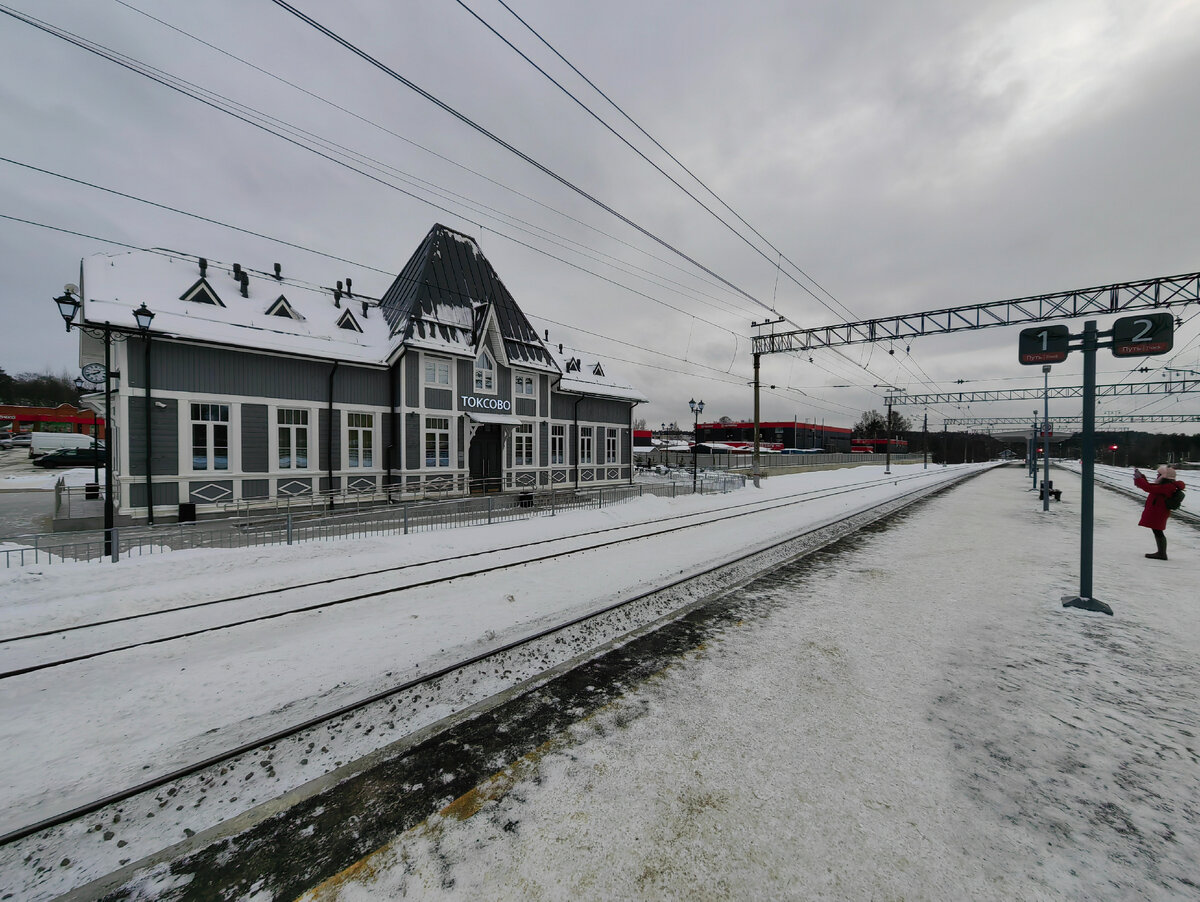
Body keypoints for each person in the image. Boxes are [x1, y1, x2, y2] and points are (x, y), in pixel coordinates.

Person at [1133, 465, 1184, 560]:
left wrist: (1139, 479)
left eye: (1159, 474)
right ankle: (1161, 552)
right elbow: (1150, 487)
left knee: (1158, 531)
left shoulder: (1167, 487)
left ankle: (1162, 553)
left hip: (1159, 512)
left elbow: (1148, 488)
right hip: (1158, 511)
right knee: (1157, 531)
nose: (1157, 475)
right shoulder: (1165, 485)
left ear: (1164, 476)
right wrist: (1142, 477)